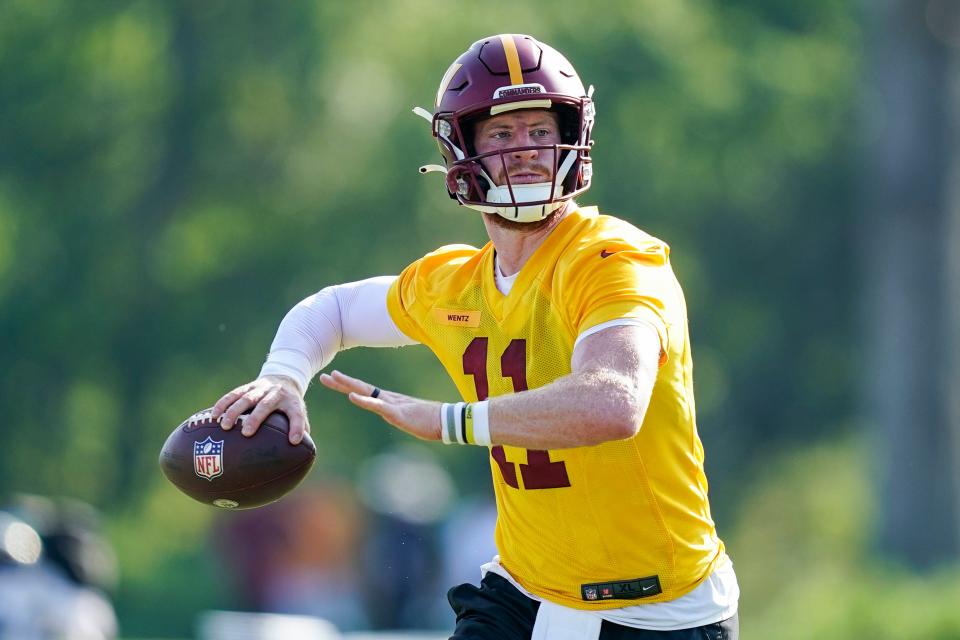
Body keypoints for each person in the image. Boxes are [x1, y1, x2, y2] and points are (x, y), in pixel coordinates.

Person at [212, 34, 739, 639]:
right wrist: (281, 378)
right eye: (501, 136)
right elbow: (329, 309)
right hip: (524, 592)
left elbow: (611, 403)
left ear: (572, 139)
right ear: (462, 151)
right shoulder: (455, 283)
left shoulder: (614, 259)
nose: (527, 153)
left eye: (540, 132)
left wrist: (447, 421)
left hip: (657, 608)